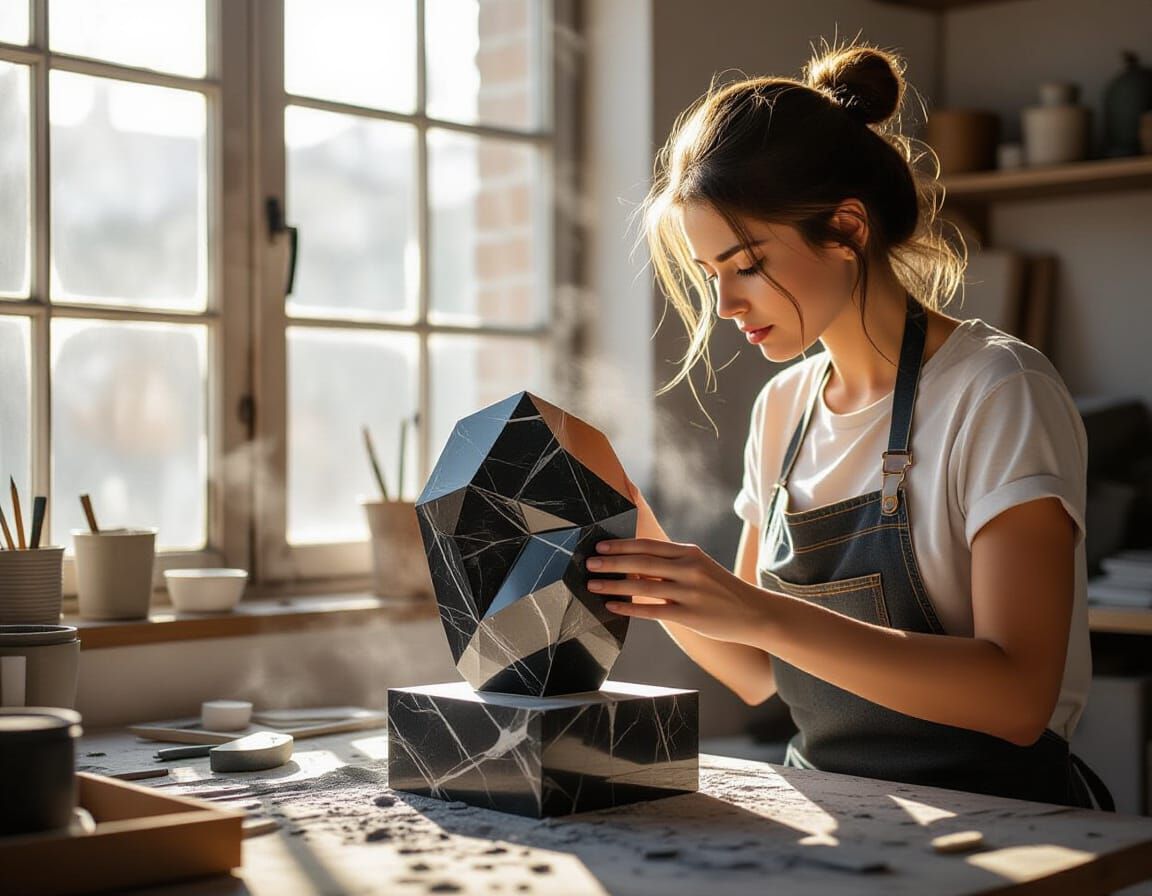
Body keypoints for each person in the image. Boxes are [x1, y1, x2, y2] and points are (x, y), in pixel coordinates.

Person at [584, 41, 1113, 810]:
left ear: (847, 229)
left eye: (749, 264)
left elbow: (1017, 699)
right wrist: (629, 520)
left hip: (1008, 825)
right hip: (838, 812)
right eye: (712, 276)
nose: (727, 306)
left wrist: (762, 611)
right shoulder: (782, 412)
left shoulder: (998, 389)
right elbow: (754, 668)